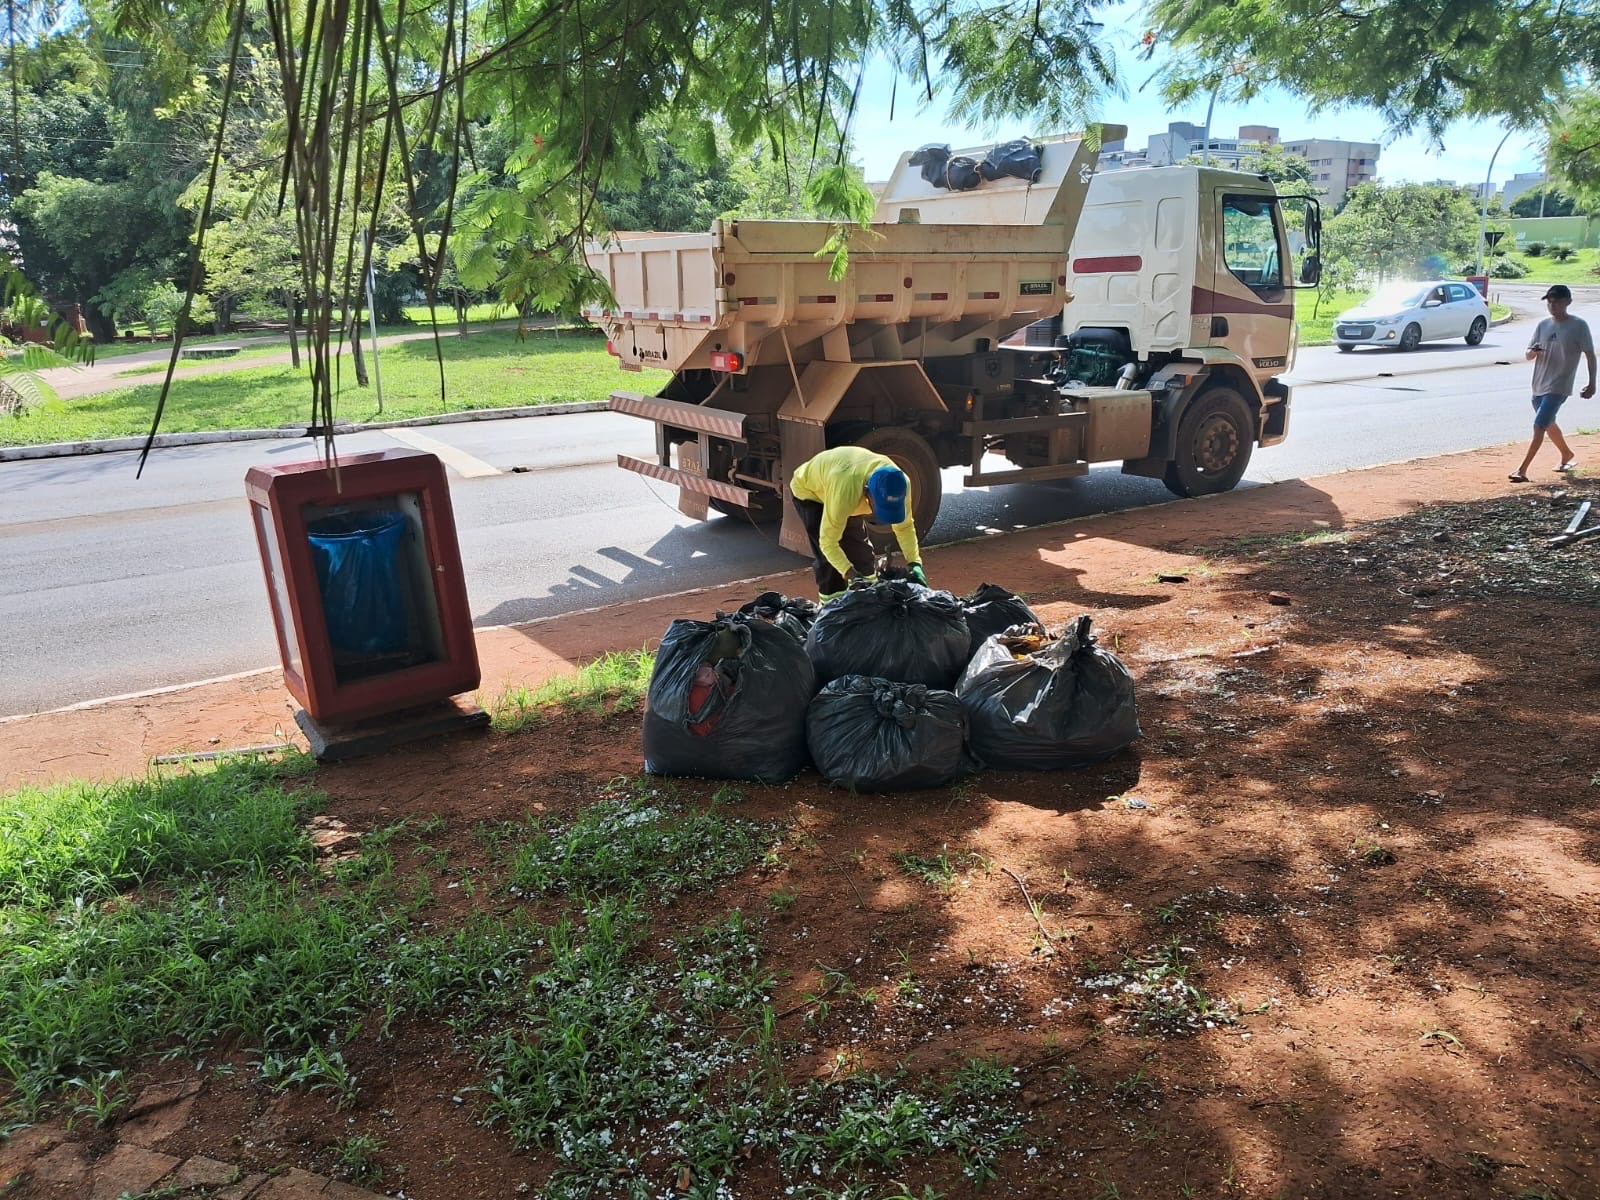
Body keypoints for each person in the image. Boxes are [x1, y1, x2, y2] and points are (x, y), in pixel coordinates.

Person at [788, 446, 926, 601]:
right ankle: (830, 612)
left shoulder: (900, 484)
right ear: (867, 494)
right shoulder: (845, 493)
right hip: (811, 493)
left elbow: (905, 527)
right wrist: (851, 574)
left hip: (846, 484)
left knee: (862, 557)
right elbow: (828, 543)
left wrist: (914, 563)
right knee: (831, 568)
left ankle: (871, 605)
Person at [1510, 283, 1595, 482]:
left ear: (1568, 302)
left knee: (1539, 425)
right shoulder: (1543, 325)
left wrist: (1592, 383)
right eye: (1549, 302)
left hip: (1559, 386)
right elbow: (1528, 353)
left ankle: (1522, 470)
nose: (1552, 305)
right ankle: (1566, 454)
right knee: (1548, 423)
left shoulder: (1578, 325)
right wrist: (1533, 352)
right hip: (1538, 384)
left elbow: (1590, 355)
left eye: (1557, 302)